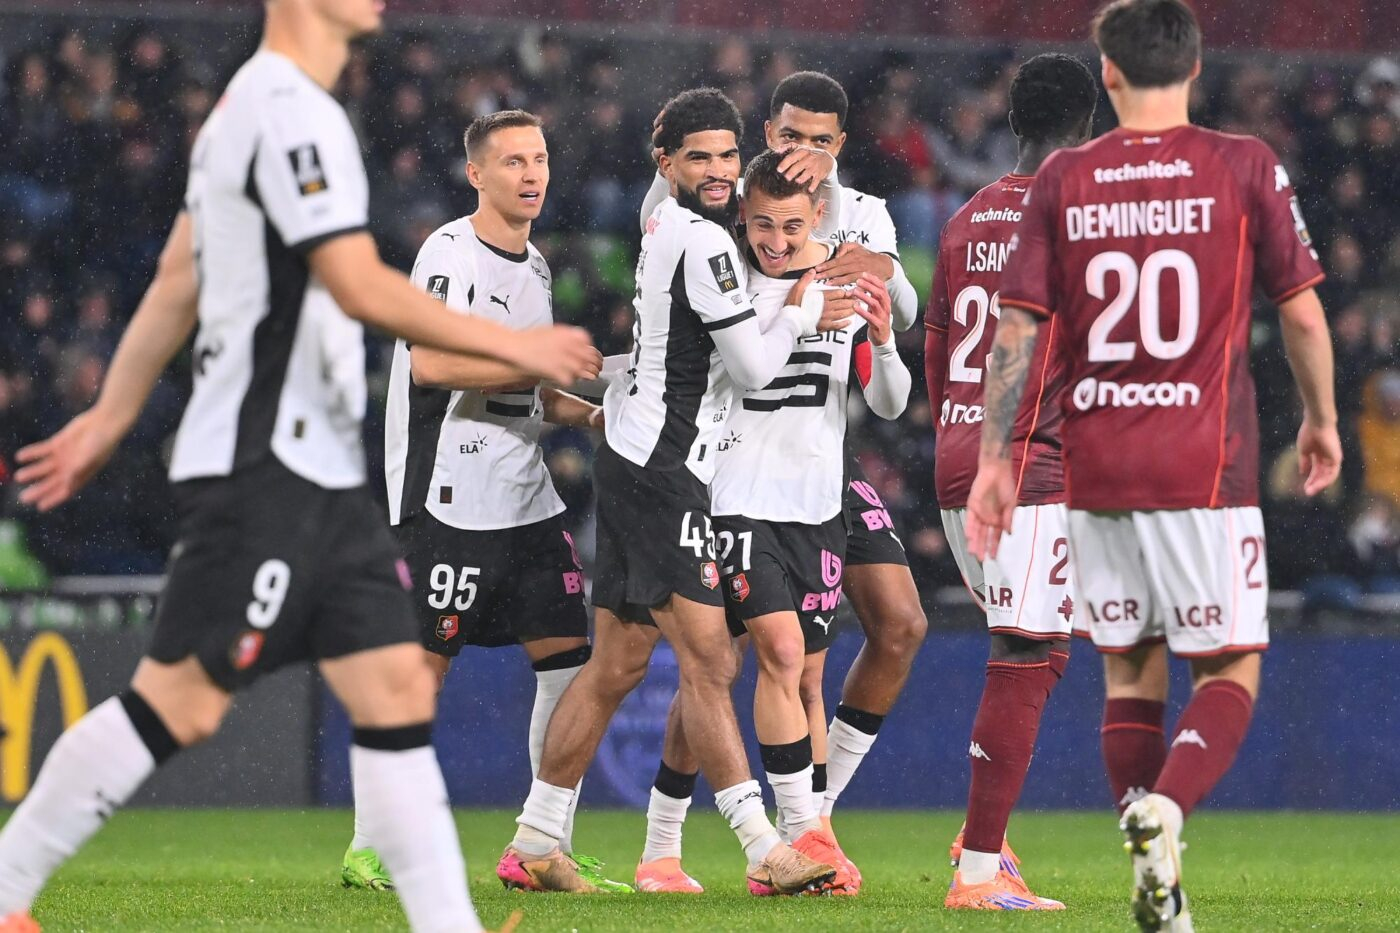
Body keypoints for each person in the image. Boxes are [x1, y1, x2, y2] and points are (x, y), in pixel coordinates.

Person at [0, 0, 597, 930]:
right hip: (262, 457)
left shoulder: (252, 109)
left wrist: (107, 417)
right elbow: (354, 283)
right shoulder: (288, 112)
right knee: (182, 701)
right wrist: (520, 347)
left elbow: (179, 275)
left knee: (394, 691)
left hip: (319, 465)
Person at [966, 2, 1341, 930]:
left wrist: (994, 458)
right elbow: (1300, 310)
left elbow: (1017, 327)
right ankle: (1165, 810)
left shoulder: (1065, 178)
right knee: (1229, 670)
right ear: (1197, 66)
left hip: (1095, 471)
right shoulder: (1243, 164)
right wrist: (1322, 419)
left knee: (1129, 672)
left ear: (1110, 72)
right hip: (1205, 467)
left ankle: (1159, 881)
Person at [497, 88, 838, 896]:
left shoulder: (660, 221)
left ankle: (535, 838)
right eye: (699, 158)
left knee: (616, 663)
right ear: (667, 164)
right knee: (710, 659)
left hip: (635, 457)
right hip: (664, 473)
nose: (718, 171)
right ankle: (763, 846)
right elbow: (754, 370)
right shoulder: (704, 240)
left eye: (728, 155)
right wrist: (802, 312)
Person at [341, 109, 628, 894]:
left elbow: (528, 395)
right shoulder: (448, 252)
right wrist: (538, 358)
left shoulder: (535, 268)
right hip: (448, 492)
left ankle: (544, 844)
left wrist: (594, 414)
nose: (532, 174)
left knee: (568, 663)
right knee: (419, 674)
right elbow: (432, 364)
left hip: (524, 493)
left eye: (540, 159)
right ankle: (369, 843)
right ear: (476, 174)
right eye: (513, 162)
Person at [634, 149, 910, 895]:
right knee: (776, 655)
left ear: (819, 215)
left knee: (760, 673)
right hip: (733, 497)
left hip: (815, 505)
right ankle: (797, 837)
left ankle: (670, 846)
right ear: (743, 217)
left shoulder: (846, 281)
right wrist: (794, 311)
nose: (777, 241)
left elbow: (888, 403)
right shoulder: (726, 275)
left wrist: (883, 338)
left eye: (791, 226)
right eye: (762, 225)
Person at [928, 52, 1098, 912]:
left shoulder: (966, 216)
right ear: (1090, 127)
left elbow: (937, 347)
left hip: (958, 460)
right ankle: (978, 870)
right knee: (1028, 650)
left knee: (1038, 640)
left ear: (1016, 121)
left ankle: (983, 841)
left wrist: (959, 443)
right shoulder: (1076, 219)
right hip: (1027, 462)